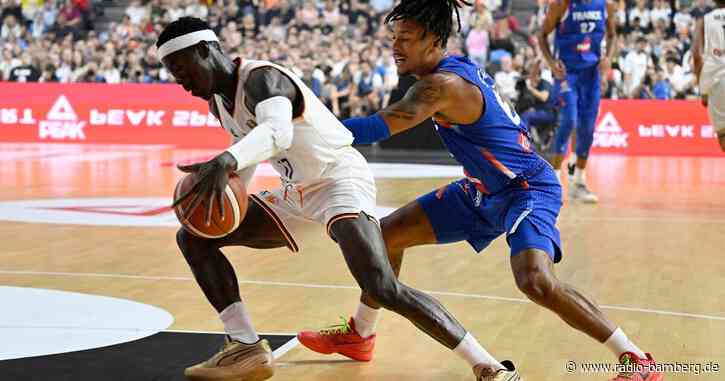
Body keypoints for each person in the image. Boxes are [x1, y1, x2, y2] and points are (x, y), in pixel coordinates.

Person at [297, 1, 663, 380]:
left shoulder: (442, 86)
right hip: (481, 190)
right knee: (386, 236)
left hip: (527, 187)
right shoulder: (447, 70)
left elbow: (375, 128)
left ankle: (636, 359)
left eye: (405, 38)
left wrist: (302, 121)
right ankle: (361, 333)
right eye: (394, 38)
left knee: (535, 281)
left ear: (433, 40)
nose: (396, 46)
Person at [158, 16, 510, 381]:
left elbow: (276, 134)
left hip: (339, 178)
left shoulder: (262, 78)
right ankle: (245, 346)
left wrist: (225, 162)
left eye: (183, 70)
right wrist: (228, 198)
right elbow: (248, 153)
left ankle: (489, 366)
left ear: (206, 50)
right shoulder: (218, 103)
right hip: (296, 190)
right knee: (194, 237)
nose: (181, 83)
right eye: (174, 75)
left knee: (381, 285)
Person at [538, 0, 618, 203]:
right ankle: (553, 180)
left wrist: (608, 57)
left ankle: (578, 181)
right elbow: (542, 35)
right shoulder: (560, 5)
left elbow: (612, 35)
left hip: (591, 74)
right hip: (567, 72)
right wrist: (551, 62)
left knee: (588, 128)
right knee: (569, 121)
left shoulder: (605, 5)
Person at [693, 0, 725, 152]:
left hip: (718, 81)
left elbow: (697, 56)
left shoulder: (704, 20)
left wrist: (703, 90)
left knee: (723, 135)